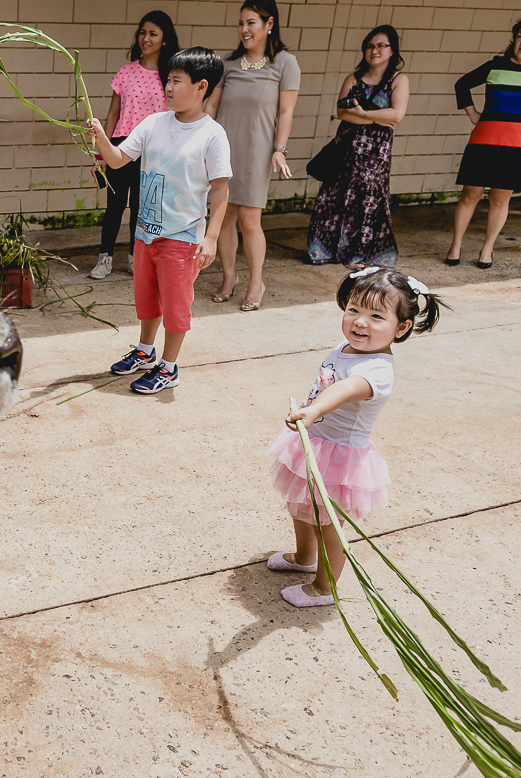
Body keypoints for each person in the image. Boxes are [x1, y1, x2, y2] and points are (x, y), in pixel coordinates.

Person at [265, 267, 447, 607]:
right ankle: (304, 557)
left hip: (339, 458)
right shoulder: (346, 347)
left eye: (376, 316)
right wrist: (311, 411)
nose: (360, 322)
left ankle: (325, 588)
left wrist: (314, 410)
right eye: (354, 310)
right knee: (301, 507)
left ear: (401, 327)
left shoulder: (378, 370)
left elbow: (346, 388)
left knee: (328, 525)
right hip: (315, 442)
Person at [87, 48, 231, 394]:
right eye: (168, 79)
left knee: (176, 306)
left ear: (201, 86)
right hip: (146, 233)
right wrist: (101, 138)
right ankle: (145, 351)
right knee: (147, 299)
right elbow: (118, 160)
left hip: (182, 238)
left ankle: (168, 367)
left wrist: (211, 238)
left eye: (176, 81)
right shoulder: (153, 123)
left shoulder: (212, 135)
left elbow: (221, 190)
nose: (167, 87)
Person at [447, 13, 521, 269]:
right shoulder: (497, 65)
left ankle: (487, 249)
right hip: (484, 139)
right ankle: (455, 246)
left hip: (518, 144)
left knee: (500, 199)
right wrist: (473, 114)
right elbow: (462, 84)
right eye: (519, 36)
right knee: (470, 195)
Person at [205, 0, 299, 312]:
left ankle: (256, 281)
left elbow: (286, 111)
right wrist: (200, 141)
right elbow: (212, 105)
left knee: (248, 219)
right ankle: (229, 277)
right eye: (241, 23)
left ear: (269, 24)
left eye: (251, 23)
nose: (244, 30)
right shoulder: (228, 63)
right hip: (224, 148)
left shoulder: (285, 63)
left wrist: (280, 150)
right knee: (224, 216)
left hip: (258, 150)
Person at [307, 26, 409, 268]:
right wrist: (376, 118)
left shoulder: (398, 79)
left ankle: (359, 253)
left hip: (376, 154)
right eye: (370, 46)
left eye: (381, 46)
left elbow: (397, 114)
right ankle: (325, 250)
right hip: (346, 149)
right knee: (334, 196)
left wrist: (362, 113)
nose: (375, 51)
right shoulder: (353, 78)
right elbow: (342, 113)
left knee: (368, 200)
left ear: (392, 50)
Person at [89, 11, 179, 280]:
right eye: (142, 32)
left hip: (153, 150)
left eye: (153, 34)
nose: (145, 38)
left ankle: (134, 258)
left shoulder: (170, 76)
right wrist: (101, 153)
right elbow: (113, 114)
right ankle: (104, 258)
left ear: (165, 39)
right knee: (114, 206)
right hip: (121, 145)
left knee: (141, 208)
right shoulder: (126, 72)